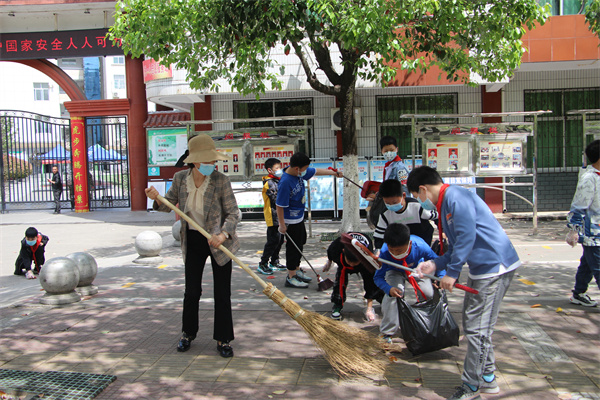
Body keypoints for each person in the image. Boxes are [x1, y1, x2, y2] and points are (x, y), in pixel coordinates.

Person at [408, 166, 520, 400]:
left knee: (478, 330)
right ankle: (487, 376)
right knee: (476, 326)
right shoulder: (448, 201)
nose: (420, 202)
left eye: (417, 197)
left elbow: (467, 237)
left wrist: (453, 272)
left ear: (422, 189)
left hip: (494, 267)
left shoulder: (456, 198)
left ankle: (472, 387)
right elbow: (458, 244)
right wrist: (436, 265)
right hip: (483, 269)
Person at [145, 134, 240, 358]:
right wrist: (156, 197)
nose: (211, 165)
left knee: (222, 293)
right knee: (192, 291)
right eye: (207, 161)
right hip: (194, 239)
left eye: (212, 160)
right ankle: (188, 333)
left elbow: (234, 213)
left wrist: (224, 234)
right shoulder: (180, 179)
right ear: (194, 161)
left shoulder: (220, 180)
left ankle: (223, 338)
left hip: (218, 240)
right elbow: (166, 205)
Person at [276, 152, 342, 288]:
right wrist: (282, 225)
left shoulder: (299, 172)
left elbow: (316, 171)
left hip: (299, 217)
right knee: (293, 248)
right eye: (304, 169)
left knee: (301, 242)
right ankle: (291, 276)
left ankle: (296, 268)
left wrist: (334, 173)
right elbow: (279, 206)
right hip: (290, 220)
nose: (306, 171)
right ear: (296, 169)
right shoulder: (286, 182)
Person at [374, 223, 440, 344]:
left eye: (399, 250)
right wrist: (388, 289)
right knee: (393, 295)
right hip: (394, 271)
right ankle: (387, 332)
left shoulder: (420, 245)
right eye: (392, 249)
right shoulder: (384, 253)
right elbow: (377, 277)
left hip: (417, 270)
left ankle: (424, 323)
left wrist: (439, 278)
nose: (396, 253)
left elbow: (438, 261)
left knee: (428, 293)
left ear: (409, 244)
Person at [566, 139, 600, 307]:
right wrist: (573, 230)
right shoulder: (589, 179)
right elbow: (579, 206)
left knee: (588, 264)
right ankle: (578, 293)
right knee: (598, 266)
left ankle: (579, 293)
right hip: (593, 233)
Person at [323, 232, 384, 321]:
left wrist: (369, 309)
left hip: (363, 263)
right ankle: (337, 304)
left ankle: (382, 299)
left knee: (372, 283)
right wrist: (329, 263)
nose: (352, 265)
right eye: (350, 262)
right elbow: (330, 252)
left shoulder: (367, 259)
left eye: (355, 263)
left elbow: (369, 283)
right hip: (343, 264)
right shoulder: (336, 249)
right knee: (340, 280)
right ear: (343, 252)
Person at [373, 179, 438, 249]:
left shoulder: (418, 207)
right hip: (399, 248)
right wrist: (380, 251)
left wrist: (443, 232)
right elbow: (379, 237)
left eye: (394, 202)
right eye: (387, 203)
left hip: (422, 245)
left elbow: (437, 218)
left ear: (403, 195)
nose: (391, 205)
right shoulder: (385, 214)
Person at [366, 136, 411, 228]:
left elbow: (405, 189)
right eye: (386, 151)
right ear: (381, 152)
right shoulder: (389, 166)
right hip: (390, 205)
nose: (389, 153)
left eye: (391, 150)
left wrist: (405, 207)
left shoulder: (400, 168)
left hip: (397, 206)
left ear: (397, 149)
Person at [258, 158, 286, 275]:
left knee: (280, 240)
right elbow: (275, 199)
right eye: (277, 168)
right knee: (273, 240)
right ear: (270, 170)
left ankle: (274, 261)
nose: (280, 170)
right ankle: (263, 263)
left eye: (280, 167)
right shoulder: (269, 183)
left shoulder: (277, 181)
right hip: (273, 216)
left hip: (280, 216)